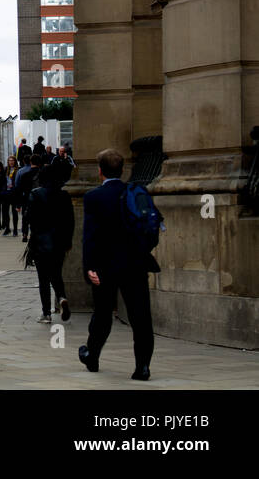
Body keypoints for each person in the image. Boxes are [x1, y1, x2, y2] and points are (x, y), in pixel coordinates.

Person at [79, 149, 159, 381]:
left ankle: (92, 355)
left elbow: (89, 236)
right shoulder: (136, 192)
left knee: (102, 314)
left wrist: (89, 267)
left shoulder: (93, 197)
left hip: (105, 266)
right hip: (135, 264)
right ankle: (142, 367)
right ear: (122, 170)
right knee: (141, 316)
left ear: (100, 171)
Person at [25, 159, 74, 323]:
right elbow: (70, 220)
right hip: (59, 242)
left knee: (43, 278)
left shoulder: (36, 194)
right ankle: (61, 298)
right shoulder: (64, 195)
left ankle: (46, 313)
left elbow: (29, 218)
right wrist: (68, 241)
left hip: (40, 242)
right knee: (56, 273)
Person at [15, 154, 43, 243]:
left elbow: (19, 190)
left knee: (25, 218)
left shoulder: (24, 175)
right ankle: (35, 234)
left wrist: (18, 204)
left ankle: (25, 234)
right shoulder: (42, 174)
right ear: (39, 163)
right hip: (39, 199)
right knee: (38, 218)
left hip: (27, 199)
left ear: (30, 162)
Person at [5, 155, 21, 235]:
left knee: (14, 212)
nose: (11, 162)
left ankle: (15, 230)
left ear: (15, 161)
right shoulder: (6, 170)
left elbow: (19, 182)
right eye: (9, 160)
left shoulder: (18, 170)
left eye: (12, 160)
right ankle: (7, 228)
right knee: (5, 212)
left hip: (14, 193)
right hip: (7, 193)